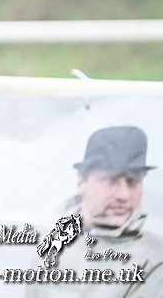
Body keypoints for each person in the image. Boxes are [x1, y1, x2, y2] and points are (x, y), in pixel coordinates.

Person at [26, 126, 163, 297]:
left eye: (133, 180)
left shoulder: (154, 257)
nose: (124, 195)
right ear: (82, 181)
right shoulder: (53, 244)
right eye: (111, 180)